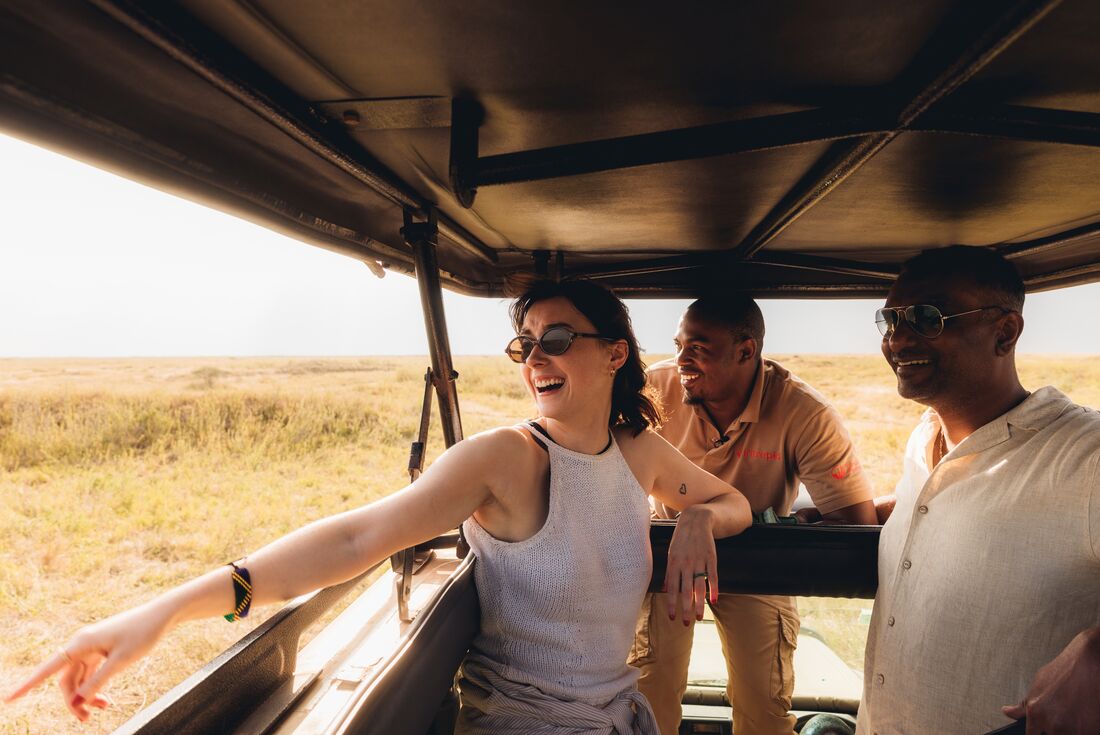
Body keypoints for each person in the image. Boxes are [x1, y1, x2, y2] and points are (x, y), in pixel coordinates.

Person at [5, 279, 754, 734]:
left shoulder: (636, 453)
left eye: (556, 338)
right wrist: (163, 612)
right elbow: (357, 535)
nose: (534, 359)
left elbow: (731, 502)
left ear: (615, 353)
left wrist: (692, 518)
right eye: (522, 345)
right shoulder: (504, 458)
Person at [859, 246, 1100, 735]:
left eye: (928, 318)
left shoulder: (1085, 456)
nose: (899, 339)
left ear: (1005, 332)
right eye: (890, 319)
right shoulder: (924, 442)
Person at [630, 296, 877, 735]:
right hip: (671, 555)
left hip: (759, 559)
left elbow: (856, 524)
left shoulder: (805, 412)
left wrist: (780, 526)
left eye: (699, 348)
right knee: (648, 695)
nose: (681, 359)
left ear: (746, 351)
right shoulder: (655, 389)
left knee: (764, 704)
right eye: (678, 344)